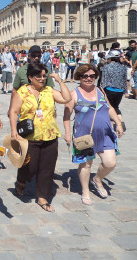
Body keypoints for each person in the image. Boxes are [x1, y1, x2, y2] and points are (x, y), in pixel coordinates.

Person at [9, 63, 71, 212]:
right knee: (30, 166)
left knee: (47, 169)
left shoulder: (49, 91)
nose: (42, 79)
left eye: (44, 76)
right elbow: (13, 112)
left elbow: (66, 98)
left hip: (50, 136)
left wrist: (60, 80)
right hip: (30, 137)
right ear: (30, 77)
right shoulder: (22, 92)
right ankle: (21, 181)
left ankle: (42, 197)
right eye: (39, 76)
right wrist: (13, 131)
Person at [63, 64, 123, 205]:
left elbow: (109, 108)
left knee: (110, 162)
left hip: (105, 133)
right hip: (84, 135)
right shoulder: (74, 94)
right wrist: (66, 133)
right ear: (79, 77)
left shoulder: (100, 90)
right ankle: (85, 190)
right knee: (86, 165)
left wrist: (118, 123)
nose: (89, 78)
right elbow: (66, 115)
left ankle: (97, 179)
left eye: (92, 76)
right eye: (85, 76)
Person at [101, 50, 127, 126]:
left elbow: (104, 79)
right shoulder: (123, 68)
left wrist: (102, 90)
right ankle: (121, 121)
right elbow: (124, 80)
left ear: (110, 58)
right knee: (115, 106)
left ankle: (111, 125)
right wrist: (125, 91)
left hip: (109, 89)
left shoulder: (106, 67)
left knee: (108, 107)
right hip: (120, 90)